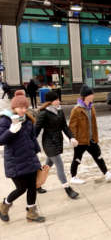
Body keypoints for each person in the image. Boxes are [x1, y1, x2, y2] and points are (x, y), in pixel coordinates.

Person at [0, 90, 45, 223]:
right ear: (13, 107)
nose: (23, 110)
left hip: (30, 159)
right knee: (21, 188)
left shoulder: (28, 120)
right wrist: (11, 131)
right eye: (20, 107)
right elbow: (1, 140)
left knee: (32, 187)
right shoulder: (5, 120)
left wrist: (37, 151)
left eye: (25, 107)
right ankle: (4, 205)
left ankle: (31, 213)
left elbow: (32, 138)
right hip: (15, 161)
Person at [35, 91, 79, 199]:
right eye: (56, 100)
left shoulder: (60, 111)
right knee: (60, 165)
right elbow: (35, 131)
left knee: (47, 165)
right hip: (48, 143)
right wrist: (31, 144)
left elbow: (64, 126)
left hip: (58, 142)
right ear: (50, 102)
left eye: (58, 99)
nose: (58, 101)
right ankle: (67, 189)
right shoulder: (44, 113)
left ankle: (36, 184)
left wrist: (71, 137)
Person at [69, 85, 111, 184]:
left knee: (98, 156)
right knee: (77, 159)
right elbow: (72, 126)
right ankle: (73, 177)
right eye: (91, 94)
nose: (93, 96)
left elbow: (93, 124)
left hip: (91, 139)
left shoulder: (91, 107)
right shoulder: (76, 110)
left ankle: (107, 173)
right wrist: (72, 138)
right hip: (81, 140)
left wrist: (95, 137)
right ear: (86, 96)